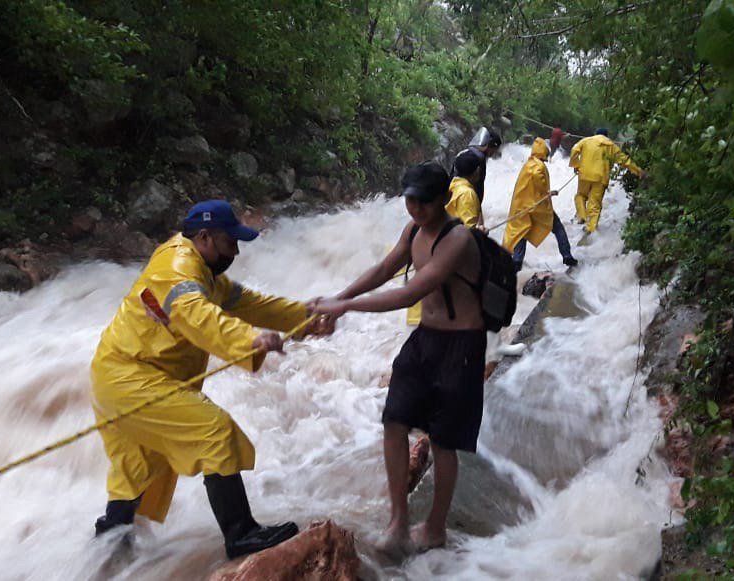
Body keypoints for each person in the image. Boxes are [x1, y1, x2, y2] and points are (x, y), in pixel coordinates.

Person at [90, 200, 331, 559]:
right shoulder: (177, 270)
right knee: (215, 433)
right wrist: (249, 341)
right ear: (204, 237)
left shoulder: (202, 270)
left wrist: (302, 317)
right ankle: (240, 533)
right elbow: (200, 317)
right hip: (132, 377)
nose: (235, 249)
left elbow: (246, 301)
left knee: (136, 465)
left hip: (119, 373)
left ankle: (109, 551)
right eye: (229, 241)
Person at [313, 161, 485, 554]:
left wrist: (348, 309)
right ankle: (399, 520)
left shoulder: (457, 239)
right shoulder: (413, 230)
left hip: (460, 346)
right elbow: (384, 269)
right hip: (425, 339)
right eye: (410, 200)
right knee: (394, 420)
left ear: (444, 199)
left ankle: (436, 527)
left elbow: (410, 293)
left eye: (424, 202)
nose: (416, 209)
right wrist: (339, 297)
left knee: (443, 441)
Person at [502, 138, 577, 271]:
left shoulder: (527, 164)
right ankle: (567, 256)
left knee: (521, 232)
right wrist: (547, 192)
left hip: (521, 207)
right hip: (537, 206)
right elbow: (537, 178)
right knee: (558, 227)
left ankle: (517, 263)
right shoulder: (538, 166)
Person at [569, 127, 646, 234]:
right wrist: (638, 171)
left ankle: (581, 216)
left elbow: (574, 150)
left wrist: (576, 165)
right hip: (601, 177)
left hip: (584, 175)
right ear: (606, 136)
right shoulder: (611, 146)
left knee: (580, 196)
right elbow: (624, 161)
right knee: (594, 203)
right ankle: (590, 229)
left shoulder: (586, 141)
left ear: (595, 134)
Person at [453, 127, 501, 202]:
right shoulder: (478, 159)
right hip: (467, 200)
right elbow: (479, 185)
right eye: (495, 149)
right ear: (490, 146)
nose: (494, 152)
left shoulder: (464, 153)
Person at [446, 149, 484, 229]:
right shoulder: (467, 194)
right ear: (477, 171)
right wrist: (480, 232)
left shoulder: (452, 185)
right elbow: (468, 230)